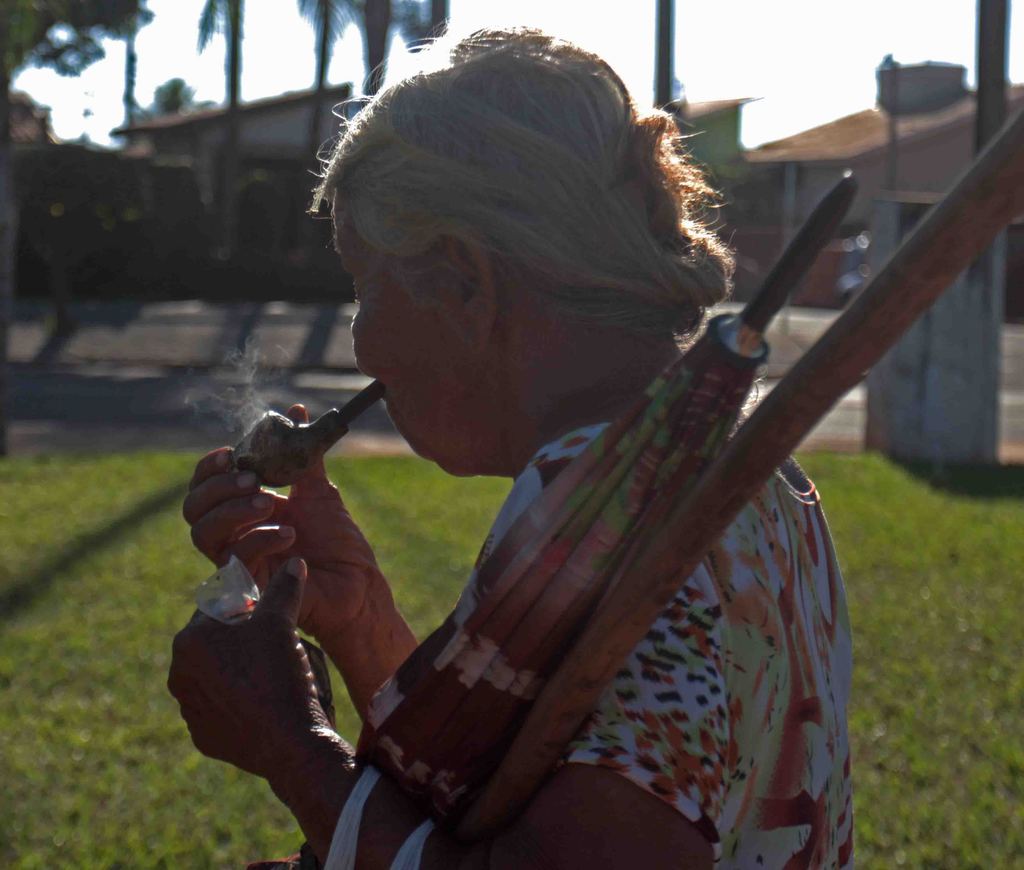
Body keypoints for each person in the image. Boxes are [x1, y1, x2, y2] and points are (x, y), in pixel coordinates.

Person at [169, 28, 853, 868]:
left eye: (363, 282)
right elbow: (501, 781)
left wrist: (293, 749)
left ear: (462, 278)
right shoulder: (742, 467)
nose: (363, 345)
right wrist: (362, 618)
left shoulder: (609, 510)